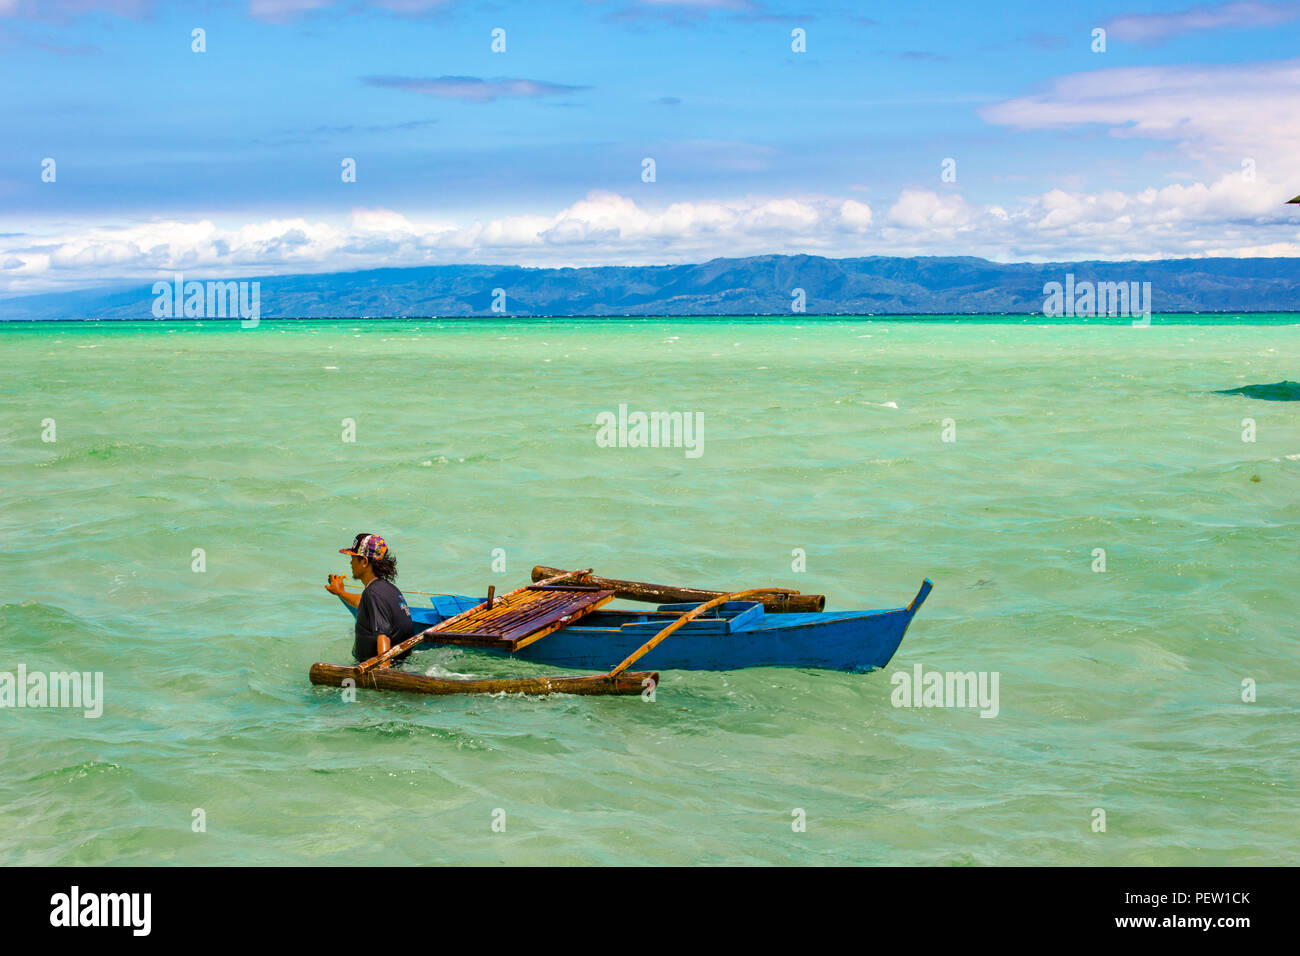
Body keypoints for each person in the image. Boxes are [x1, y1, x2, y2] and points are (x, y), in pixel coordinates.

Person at [325, 533, 414, 664]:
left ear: (364, 562)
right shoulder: (390, 589)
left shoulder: (372, 594)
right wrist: (340, 592)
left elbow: (383, 636)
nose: (350, 562)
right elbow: (361, 603)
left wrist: (383, 672)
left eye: (354, 558)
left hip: (374, 672)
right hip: (402, 664)